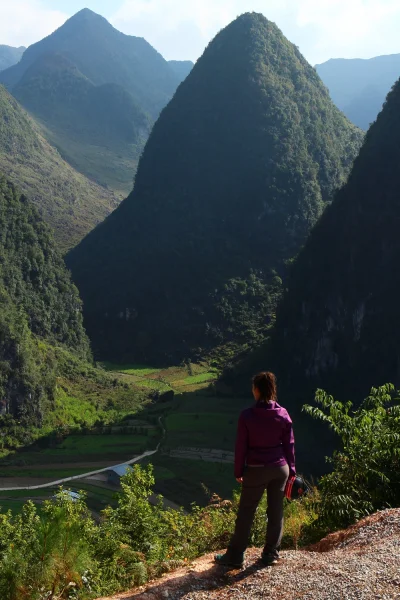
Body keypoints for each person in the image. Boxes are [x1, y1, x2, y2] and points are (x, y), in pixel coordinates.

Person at [215, 371, 295, 568]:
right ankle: (270, 554)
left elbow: (241, 446)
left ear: (257, 390)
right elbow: (289, 445)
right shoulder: (283, 414)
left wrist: (238, 472)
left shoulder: (247, 416)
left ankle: (235, 556)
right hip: (280, 468)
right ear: (272, 390)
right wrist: (292, 471)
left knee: (247, 512)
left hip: (257, 468)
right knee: (276, 511)